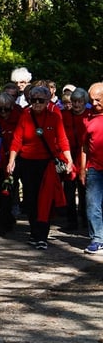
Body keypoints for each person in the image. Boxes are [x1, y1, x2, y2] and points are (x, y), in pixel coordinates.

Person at [7, 85, 73, 250]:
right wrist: (11, 160)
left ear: (47, 101)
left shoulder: (54, 117)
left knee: (45, 200)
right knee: (30, 199)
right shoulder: (25, 115)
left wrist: (69, 160)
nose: (36, 103)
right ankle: (34, 232)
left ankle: (42, 236)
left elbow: (62, 139)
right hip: (27, 163)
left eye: (40, 101)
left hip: (46, 165)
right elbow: (17, 139)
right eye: (33, 100)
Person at [0, 92, 22, 237]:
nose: (3, 112)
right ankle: (7, 219)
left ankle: (3, 224)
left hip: (15, 160)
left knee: (8, 191)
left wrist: (13, 159)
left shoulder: (20, 117)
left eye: (7, 109)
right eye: (0, 109)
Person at [61, 87, 90, 232]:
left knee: (85, 191)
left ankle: (85, 219)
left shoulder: (90, 115)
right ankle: (71, 221)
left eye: (80, 101)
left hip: (85, 158)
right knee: (69, 191)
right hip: (68, 158)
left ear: (85, 102)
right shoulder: (64, 115)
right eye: (74, 101)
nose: (76, 104)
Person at [79, 83, 103, 254]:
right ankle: (97, 239)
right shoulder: (88, 117)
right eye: (92, 100)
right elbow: (84, 146)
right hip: (94, 168)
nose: (94, 103)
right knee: (92, 205)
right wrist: (82, 168)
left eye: (98, 100)